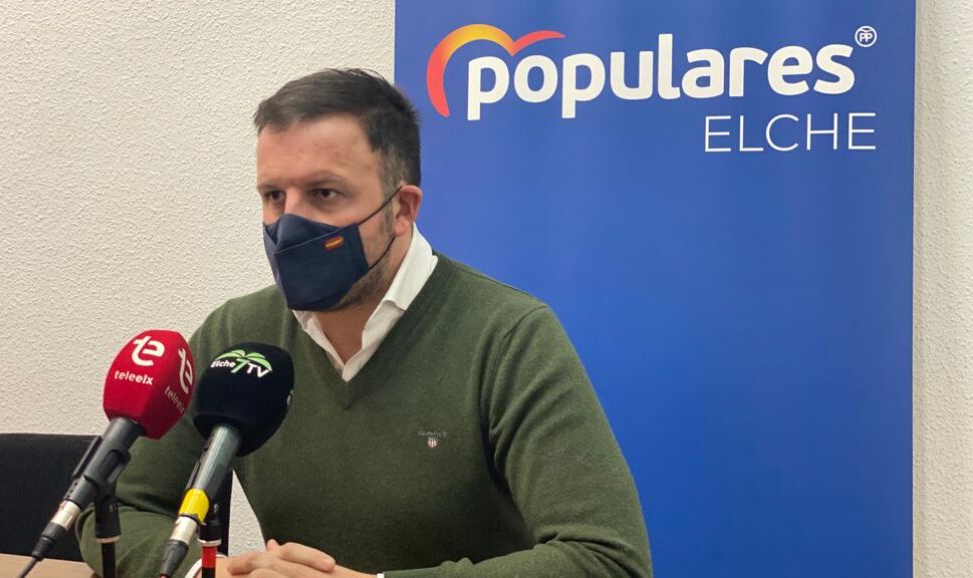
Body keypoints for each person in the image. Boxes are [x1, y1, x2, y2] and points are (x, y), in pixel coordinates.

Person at [76, 69, 653, 578]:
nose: (289, 224)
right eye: (274, 195)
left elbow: (607, 559)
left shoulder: (508, 336)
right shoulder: (239, 335)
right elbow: (115, 509)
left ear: (402, 209)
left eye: (324, 193)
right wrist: (216, 572)